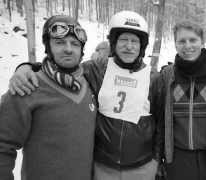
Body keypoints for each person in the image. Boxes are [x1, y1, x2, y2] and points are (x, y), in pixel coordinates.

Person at [8, 11, 162, 180]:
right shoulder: (96, 70)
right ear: (114, 43)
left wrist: (156, 160)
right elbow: (63, 66)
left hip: (142, 166)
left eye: (135, 41)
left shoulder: (154, 78)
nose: (129, 46)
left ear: (142, 46)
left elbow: (162, 122)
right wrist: (27, 67)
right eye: (123, 40)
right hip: (103, 166)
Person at [0, 15, 96, 180]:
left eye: (75, 44)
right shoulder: (27, 87)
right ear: (48, 47)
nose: (68, 49)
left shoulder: (90, 83)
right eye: (60, 43)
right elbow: (3, 146)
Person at [158, 20, 206, 180]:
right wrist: (159, 158)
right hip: (178, 160)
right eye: (182, 41)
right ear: (175, 44)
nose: (188, 46)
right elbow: (160, 121)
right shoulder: (167, 75)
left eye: (193, 40)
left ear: (202, 42)